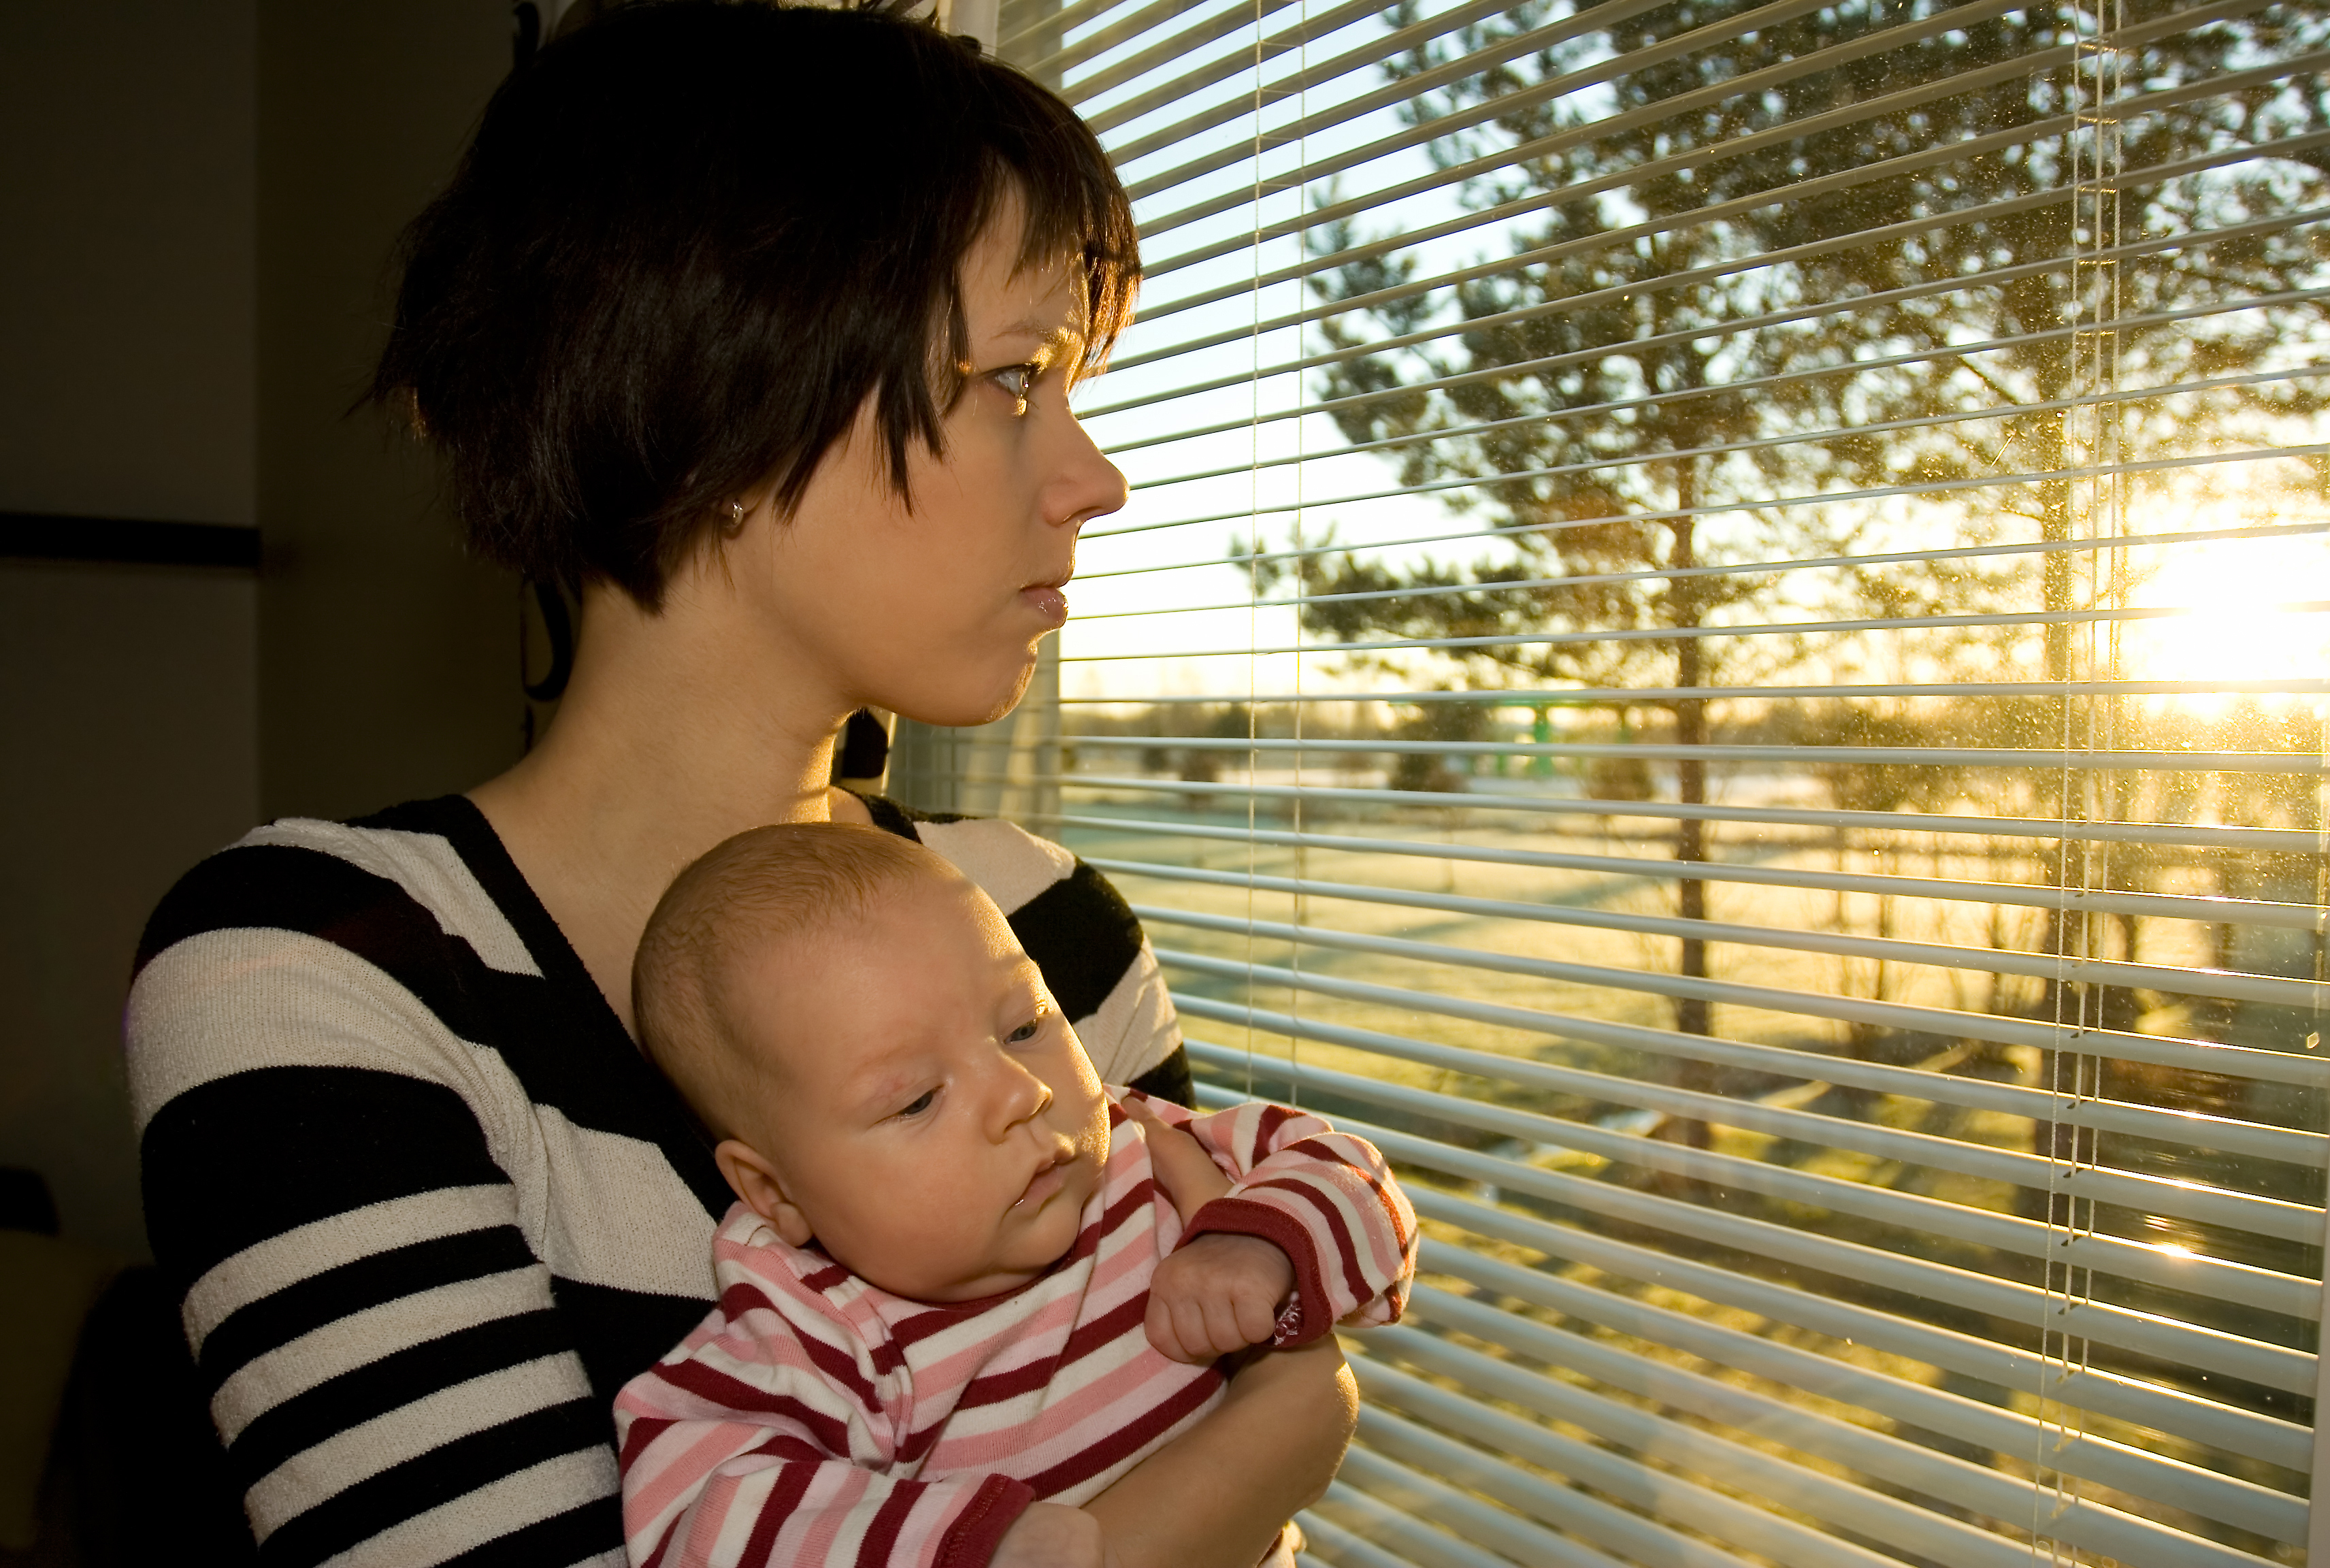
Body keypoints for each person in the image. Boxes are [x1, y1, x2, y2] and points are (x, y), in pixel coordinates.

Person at [120, 5, 1360, 1567]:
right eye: (1015, 376)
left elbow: (1176, 1393)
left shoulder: (1043, 919)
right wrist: (1286, 1430)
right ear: (724, 386)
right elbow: (1248, 1444)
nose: (1093, 475)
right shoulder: (321, 974)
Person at [614, 824, 1416, 1568]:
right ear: (775, 1192)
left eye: (1025, 1025)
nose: (1021, 1092)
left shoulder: (1138, 1144)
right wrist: (964, 1543)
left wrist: (1261, 1242)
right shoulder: (819, 1332)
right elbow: (699, 1510)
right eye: (918, 1099)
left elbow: (1350, 1173)